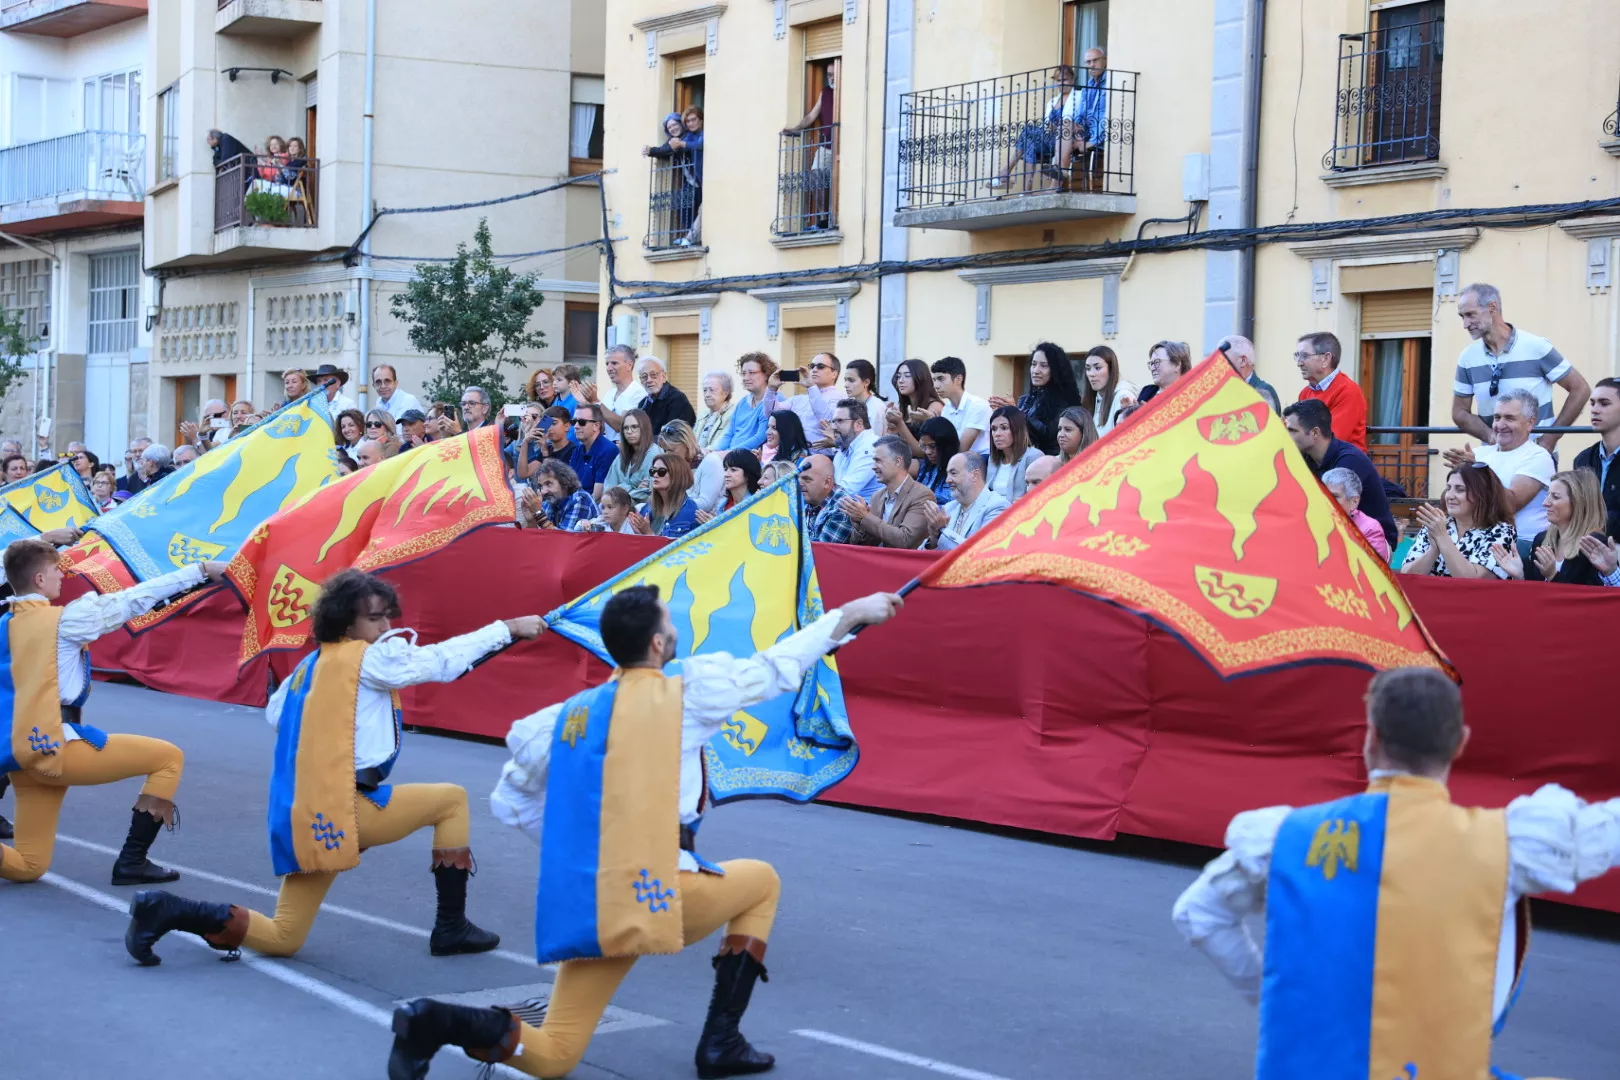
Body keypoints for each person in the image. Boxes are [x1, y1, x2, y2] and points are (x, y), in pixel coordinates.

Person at [390, 584, 905, 1080]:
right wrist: (851, 614)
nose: (674, 629)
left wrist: (587, 851)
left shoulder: (558, 719)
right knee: (762, 882)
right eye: (670, 623)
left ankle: (438, 1020)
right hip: (656, 887)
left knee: (555, 1056)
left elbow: (512, 801)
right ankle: (721, 1040)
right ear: (658, 643)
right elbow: (776, 667)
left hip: (592, 895)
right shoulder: (686, 694)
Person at [1172, 666, 1620, 1079]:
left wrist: (1274, 995)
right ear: (1460, 742)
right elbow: (1606, 833)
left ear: (1371, 738)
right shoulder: (1505, 844)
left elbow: (1198, 914)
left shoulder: (1282, 836)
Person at [125, 570, 543, 966]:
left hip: (308, 811)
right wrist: (507, 628)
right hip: (349, 807)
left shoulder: (309, 667)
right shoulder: (371, 660)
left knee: (284, 936)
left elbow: (276, 715)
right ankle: (450, 927)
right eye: (373, 618)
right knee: (452, 801)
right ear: (346, 622)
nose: (384, 627)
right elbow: (440, 662)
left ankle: (170, 909)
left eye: (386, 617)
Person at [0, 539, 229, 887]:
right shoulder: (63, 622)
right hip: (55, 748)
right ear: (40, 580)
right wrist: (197, 572)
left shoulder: (5, 623)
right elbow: (131, 600)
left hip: (19, 755)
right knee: (168, 758)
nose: (61, 576)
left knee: (29, 865)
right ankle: (132, 861)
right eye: (54, 571)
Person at [1452, 282, 1589, 454]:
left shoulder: (1536, 347)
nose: (1465, 324)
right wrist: (1490, 436)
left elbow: (1581, 389)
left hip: (1535, 456)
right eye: (1462, 316)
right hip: (1493, 459)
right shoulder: (1467, 358)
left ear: (1492, 308)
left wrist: (1551, 439)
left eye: (1470, 315)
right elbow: (1459, 412)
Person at [1442, 388, 1556, 551]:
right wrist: (1457, 481)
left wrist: (1479, 472)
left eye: (1509, 418)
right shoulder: (1479, 454)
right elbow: (1450, 502)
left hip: (1521, 542)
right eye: (1497, 417)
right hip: (1477, 538)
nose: (1500, 425)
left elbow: (1509, 505)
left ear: (1530, 423)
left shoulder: (1538, 457)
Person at [1282, 399, 1397, 550]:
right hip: (1335, 535)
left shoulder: (1349, 460)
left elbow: (1329, 511)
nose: (1285, 436)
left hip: (1372, 541)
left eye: (1292, 431)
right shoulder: (1305, 458)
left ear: (1315, 433)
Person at [1494, 471, 1620, 587]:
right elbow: (1534, 595)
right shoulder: (1542, 540)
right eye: (1548, 495)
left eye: (1555, 497)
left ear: (1578, 502)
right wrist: (1519, 575)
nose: (1545, 503)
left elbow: (1589, 601)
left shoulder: (1593, 543)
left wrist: (1553, 576)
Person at [1400, 465, 1517, 579]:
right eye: (1448, 488)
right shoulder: (1437, 525)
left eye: (1460, 489)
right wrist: (1434, 550)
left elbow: (1473, 580)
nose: (1449, 496)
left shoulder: (1501, 531)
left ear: (1482, 494)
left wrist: (1442, 538)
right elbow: (1407, 576)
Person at [990, 65, 1077, 190]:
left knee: (1027, 130)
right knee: (1030, 141)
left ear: (1072, 80)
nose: (1062, 83)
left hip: (1064, 140)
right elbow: (1046, 124)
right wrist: (1049, 127)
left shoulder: (1079, 97)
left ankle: (1006, 171)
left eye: (1065, 80)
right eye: (1058, 80)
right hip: (1048, 137)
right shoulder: (1052, 102)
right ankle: (1027, 188)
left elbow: (1076, 120)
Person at [989, 343, 1083, 456]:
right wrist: (1008, 414)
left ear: (1055, 370)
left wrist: (1018, 413)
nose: (1036, 370)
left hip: (1051, 461)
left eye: (1043, 366)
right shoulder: (1025, 400)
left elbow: (1050, 434)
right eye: (1033, 364)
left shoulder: (1066, 401)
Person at [844, 436, 934, 549]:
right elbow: (862, 546)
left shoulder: (923, 496)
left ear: (898, 461)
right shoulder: (876, 497)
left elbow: (905, 540)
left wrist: (865, 518)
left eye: (878, 461)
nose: (873, 467)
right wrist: (859, 525)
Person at [1293, 332, 1368, 453]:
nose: (1299, 363)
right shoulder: (1305, 393)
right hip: (1315, 466)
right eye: (1297, 356)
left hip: (1342, 467)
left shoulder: (1348, 391)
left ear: (1326, 359)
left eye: (1304, 356)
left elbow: (1329, 441)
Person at [923, 453, 1010, 551]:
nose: (947, 480)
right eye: (947, 474)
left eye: (953, 473)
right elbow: (923, 557)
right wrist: (934, 537)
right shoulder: (949, 507)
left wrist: (941, 531)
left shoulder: (998, 507)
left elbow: (981, 552)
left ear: (974, 475)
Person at [643, 113, 702, 247]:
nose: (673, 128)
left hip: (699, 180)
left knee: (699, 209)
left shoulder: (689, 136)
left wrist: (653, 150)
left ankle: (694, 237)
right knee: (684, 206)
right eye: (669, 127)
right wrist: (650, 151)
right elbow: (664, 150)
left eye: (675, 124)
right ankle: (690, 237)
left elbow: (670, 148)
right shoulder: (674, 140)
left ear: (681, 124)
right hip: (690, 181)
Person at [1575, 376, 1620, 536]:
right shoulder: (1583, 459)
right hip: (1587, 544)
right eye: (1592, 403)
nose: (1594, 409)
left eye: (1604, 403)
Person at [577, 345, 647, 443]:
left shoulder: (638, 393)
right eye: (607, 364)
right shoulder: (609, 394)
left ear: (629, 365)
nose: (609, 368)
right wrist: (586, 403)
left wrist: (595, 402)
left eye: (614, 363)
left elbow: (622, 425)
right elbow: (601, 427)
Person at [1321, 467, 1392, 561]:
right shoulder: (1312, 519)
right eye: (1323, 494)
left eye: (1334, 496)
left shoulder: (1369, 529)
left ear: (1354, 502)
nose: (1326, 501)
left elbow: (1373, 571)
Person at [655, 420, 725, 513]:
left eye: (671, 450)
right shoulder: (677, 465)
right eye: (665, 450)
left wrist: (670, 502)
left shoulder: (710, 461)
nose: (667, 455)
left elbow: (706, 504)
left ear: (686, 444)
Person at [777, 351, 842, 448]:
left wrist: (811, 387)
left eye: (820, 366)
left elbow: (826, 420)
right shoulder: (798, 399)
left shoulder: (841, 398)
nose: (814, 370)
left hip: (821, 457)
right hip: (794, 454)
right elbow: (770, 413)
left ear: (834, 374)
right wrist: (771, 389)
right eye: (812, 366)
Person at [630, 452, 701, 539]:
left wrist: (648, 534)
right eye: (653, 471)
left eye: (661, 471)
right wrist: (637, 534)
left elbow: (676, 550)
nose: (655, 475)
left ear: (677, 475)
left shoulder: (690, 510)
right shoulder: (648, 508)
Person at [931, 356, 991, 456]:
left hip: (980, 461)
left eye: (941, 379)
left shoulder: (978, 405)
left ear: (958, 379)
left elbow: (962, 449)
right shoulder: (946, 410)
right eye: (934, 380)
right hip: (956, 462)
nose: (936, 385)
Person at [984, 406, 1044, 501]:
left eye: (1004, 428)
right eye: (994, 429)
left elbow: (1040, 495)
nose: (997, 434)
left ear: (1017, 429)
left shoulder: (1034, 457)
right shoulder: (993, 459)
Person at [522, 460, 600, 532]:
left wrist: (538, 513)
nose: (543, 491)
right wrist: (531, 520)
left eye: (548, 484)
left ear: (564, 481)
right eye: (541, 486)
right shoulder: (551, 500)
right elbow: (539, 539)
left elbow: (564, 540)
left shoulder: (579, 499)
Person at [724, 353, 779, 452]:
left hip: (750, 456)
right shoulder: (742, 403)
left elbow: (760, 437)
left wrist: (730, 452)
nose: (746, 378)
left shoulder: (775, 401)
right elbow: (729, 434)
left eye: (751, 373)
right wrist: (710, 450)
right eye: (744, 373)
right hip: (731, 454)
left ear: (766, 374)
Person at [830, 398, 880, 500]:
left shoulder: (871, 446)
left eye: (840, 421)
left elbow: (845, 491)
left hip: (866, 513)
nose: (834, 427)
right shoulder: (844, 447)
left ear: (858, 424)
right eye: (833, 421)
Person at [801, 454, 857, 544]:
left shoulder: (843, 508)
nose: (799, 483)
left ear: (827, 482)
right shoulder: (811, 500)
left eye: (807, 479)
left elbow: (820, 553)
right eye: (798, 478)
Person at [603, 408, 656, 503]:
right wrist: (634, 489)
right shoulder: (620, 457)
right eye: (625, 428)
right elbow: (608, 490)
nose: (629, 431)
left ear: (644, 427)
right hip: (617, 510)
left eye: (634, 427)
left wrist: (620, 488)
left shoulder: (655, 455)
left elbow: (650, 494)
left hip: (644, 513)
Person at [567, 406, 618, 500]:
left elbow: (597, 496)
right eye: (574, 422)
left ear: (596, 426)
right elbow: (568, 485)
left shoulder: (608, 450)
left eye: (582, 422)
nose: (576, 426)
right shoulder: (577, 451)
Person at [637, 355, 697, 434]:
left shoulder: (677, 399)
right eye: (644, 376)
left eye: (653, 375)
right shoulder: (642, 404)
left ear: (664, 377)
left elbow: (673, 436)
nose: (649, 380)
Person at [697, 450, 762, 523]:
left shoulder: (755, 504)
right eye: (725, 469)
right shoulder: (723, 505)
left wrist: (717, 526)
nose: (726, 474)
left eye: (733, 470)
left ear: (748, 474)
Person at [1221, 335, 1280, 413]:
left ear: (1243, 361)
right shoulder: (1224, 391)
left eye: (1224, 359)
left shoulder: (1263, 391)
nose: (1220, 365)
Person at [914, 416, 960, 505]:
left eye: (933, 446)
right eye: (924, 446)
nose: (928, 452)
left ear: (947, 445)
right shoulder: (927, 467)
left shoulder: (959, 471)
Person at [1137, 340, 1191, 406]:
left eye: (1157, 362)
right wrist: (1128, 410)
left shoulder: (1188, 395)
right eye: (1151, 363)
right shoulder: (1147, 391)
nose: (1152, 368)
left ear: (1177, 364)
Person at [840, 359, 887, 433]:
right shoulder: (851, 405)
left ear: (866, 382)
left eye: (851, 380)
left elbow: (873, 440)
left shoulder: (876, 407)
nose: (846, 385)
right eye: (845, 380)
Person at [696, 372, 737, 450]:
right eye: (705, 390)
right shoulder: (702, 415)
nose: (707, 394)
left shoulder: (733, 414)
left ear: (725, 393)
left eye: (712, 390)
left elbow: (720, 444)